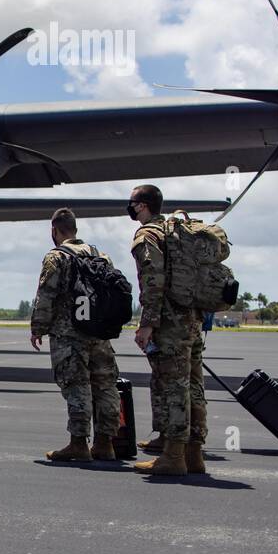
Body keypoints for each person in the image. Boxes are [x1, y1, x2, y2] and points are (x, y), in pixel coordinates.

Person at [29, 208, 122, 462]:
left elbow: (46, 295)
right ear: (76, 230)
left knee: (76, 385)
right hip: (100, 333)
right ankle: (105, 442)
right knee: (105, 385)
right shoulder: (100, 255)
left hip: (69, 335)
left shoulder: (56, 257)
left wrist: (38, 327)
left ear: (55, 230)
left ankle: (78, 443)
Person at [128, 184, 203, 475]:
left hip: (170, 323)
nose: (130, 208)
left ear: (142, 206)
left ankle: (173, 456)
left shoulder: (148, 235)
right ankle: (194, 454)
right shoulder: (177, 230)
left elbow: (153, 281)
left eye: (133, 203)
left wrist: (147, 324)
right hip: (192, 318)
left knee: (173, 386)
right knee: (193, 384)